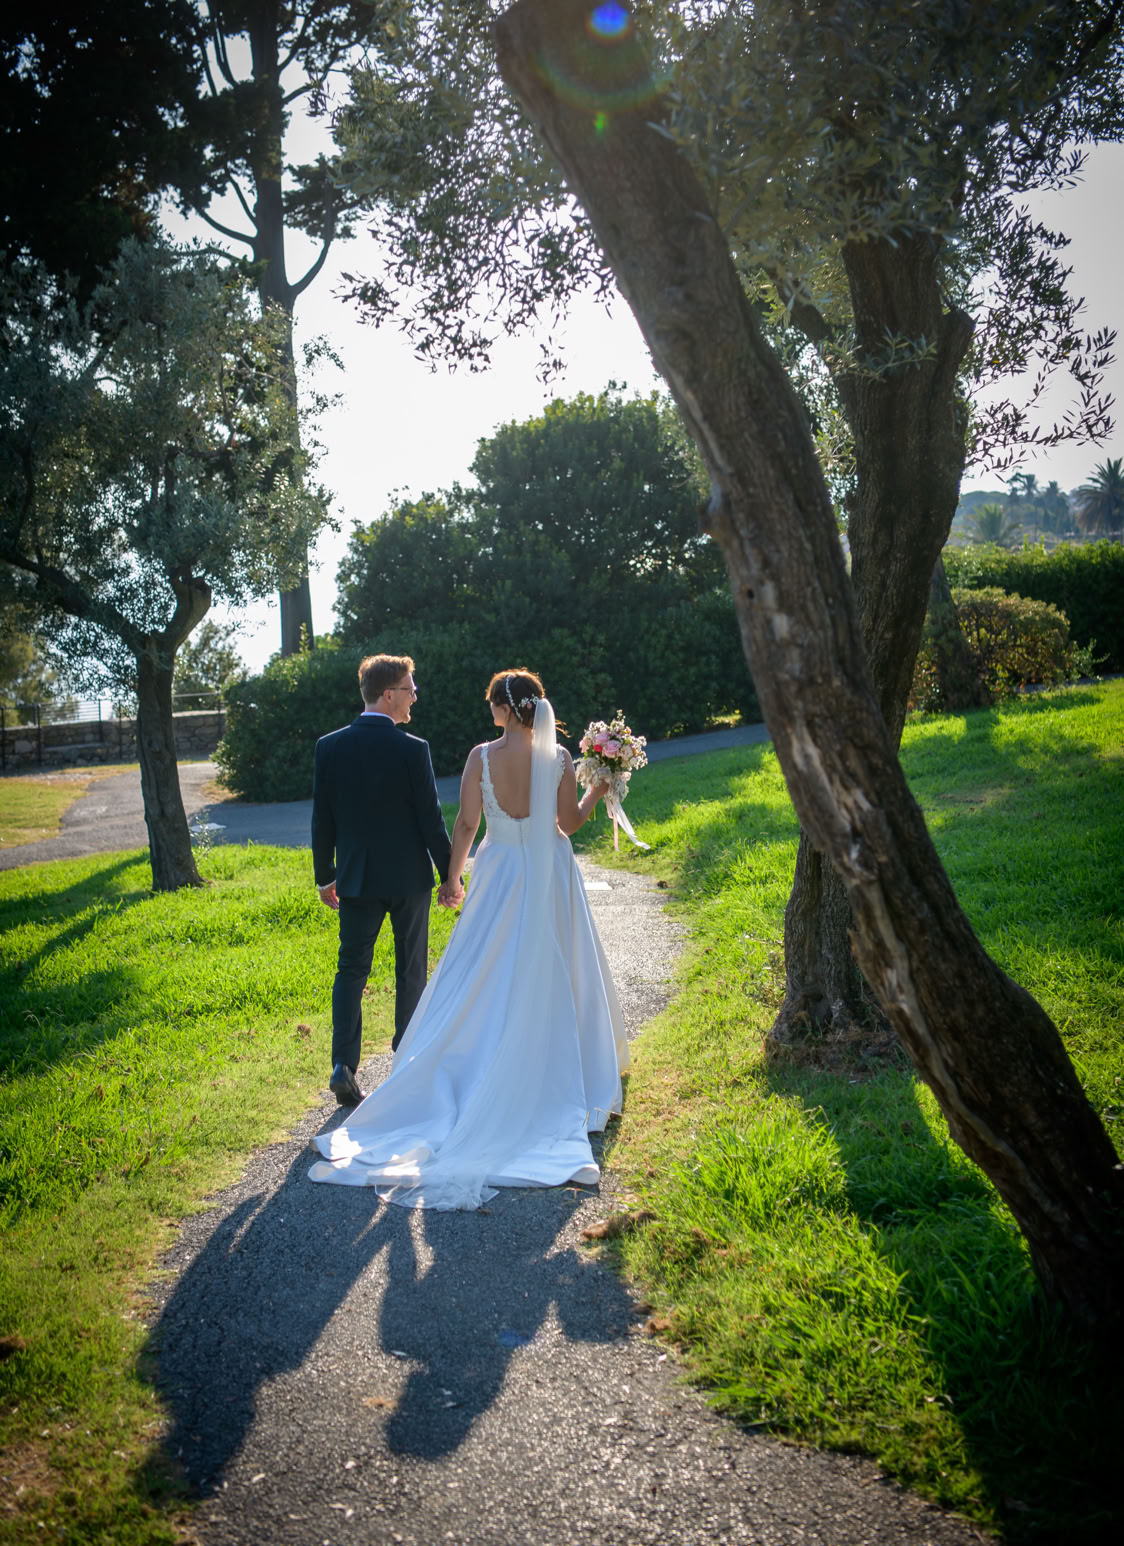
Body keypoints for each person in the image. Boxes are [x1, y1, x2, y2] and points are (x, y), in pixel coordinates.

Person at [308, 668, 629, 1210]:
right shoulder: (560, 758)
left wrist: (452, 879)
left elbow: (464, 826)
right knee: (555, 965)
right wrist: (600, 785)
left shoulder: (480, 757)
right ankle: (566, 1068)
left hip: (501, 870)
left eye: (490, 704)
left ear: (502, 708)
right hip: (549, 871)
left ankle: (462, 1059)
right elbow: (569, 824)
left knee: (484, 971)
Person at [312, 653, 458, 1109]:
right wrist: (449, 876)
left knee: (351, 969)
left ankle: (343, 1066)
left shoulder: (329, 746)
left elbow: (323, 820)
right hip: (410, 878)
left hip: (356, 879)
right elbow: (431, 821)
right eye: (411, 688)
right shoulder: (413, 749)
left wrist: (324, 877)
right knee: (410, 968)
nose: (416, 696)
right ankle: (405, 1060)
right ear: (389, 694)